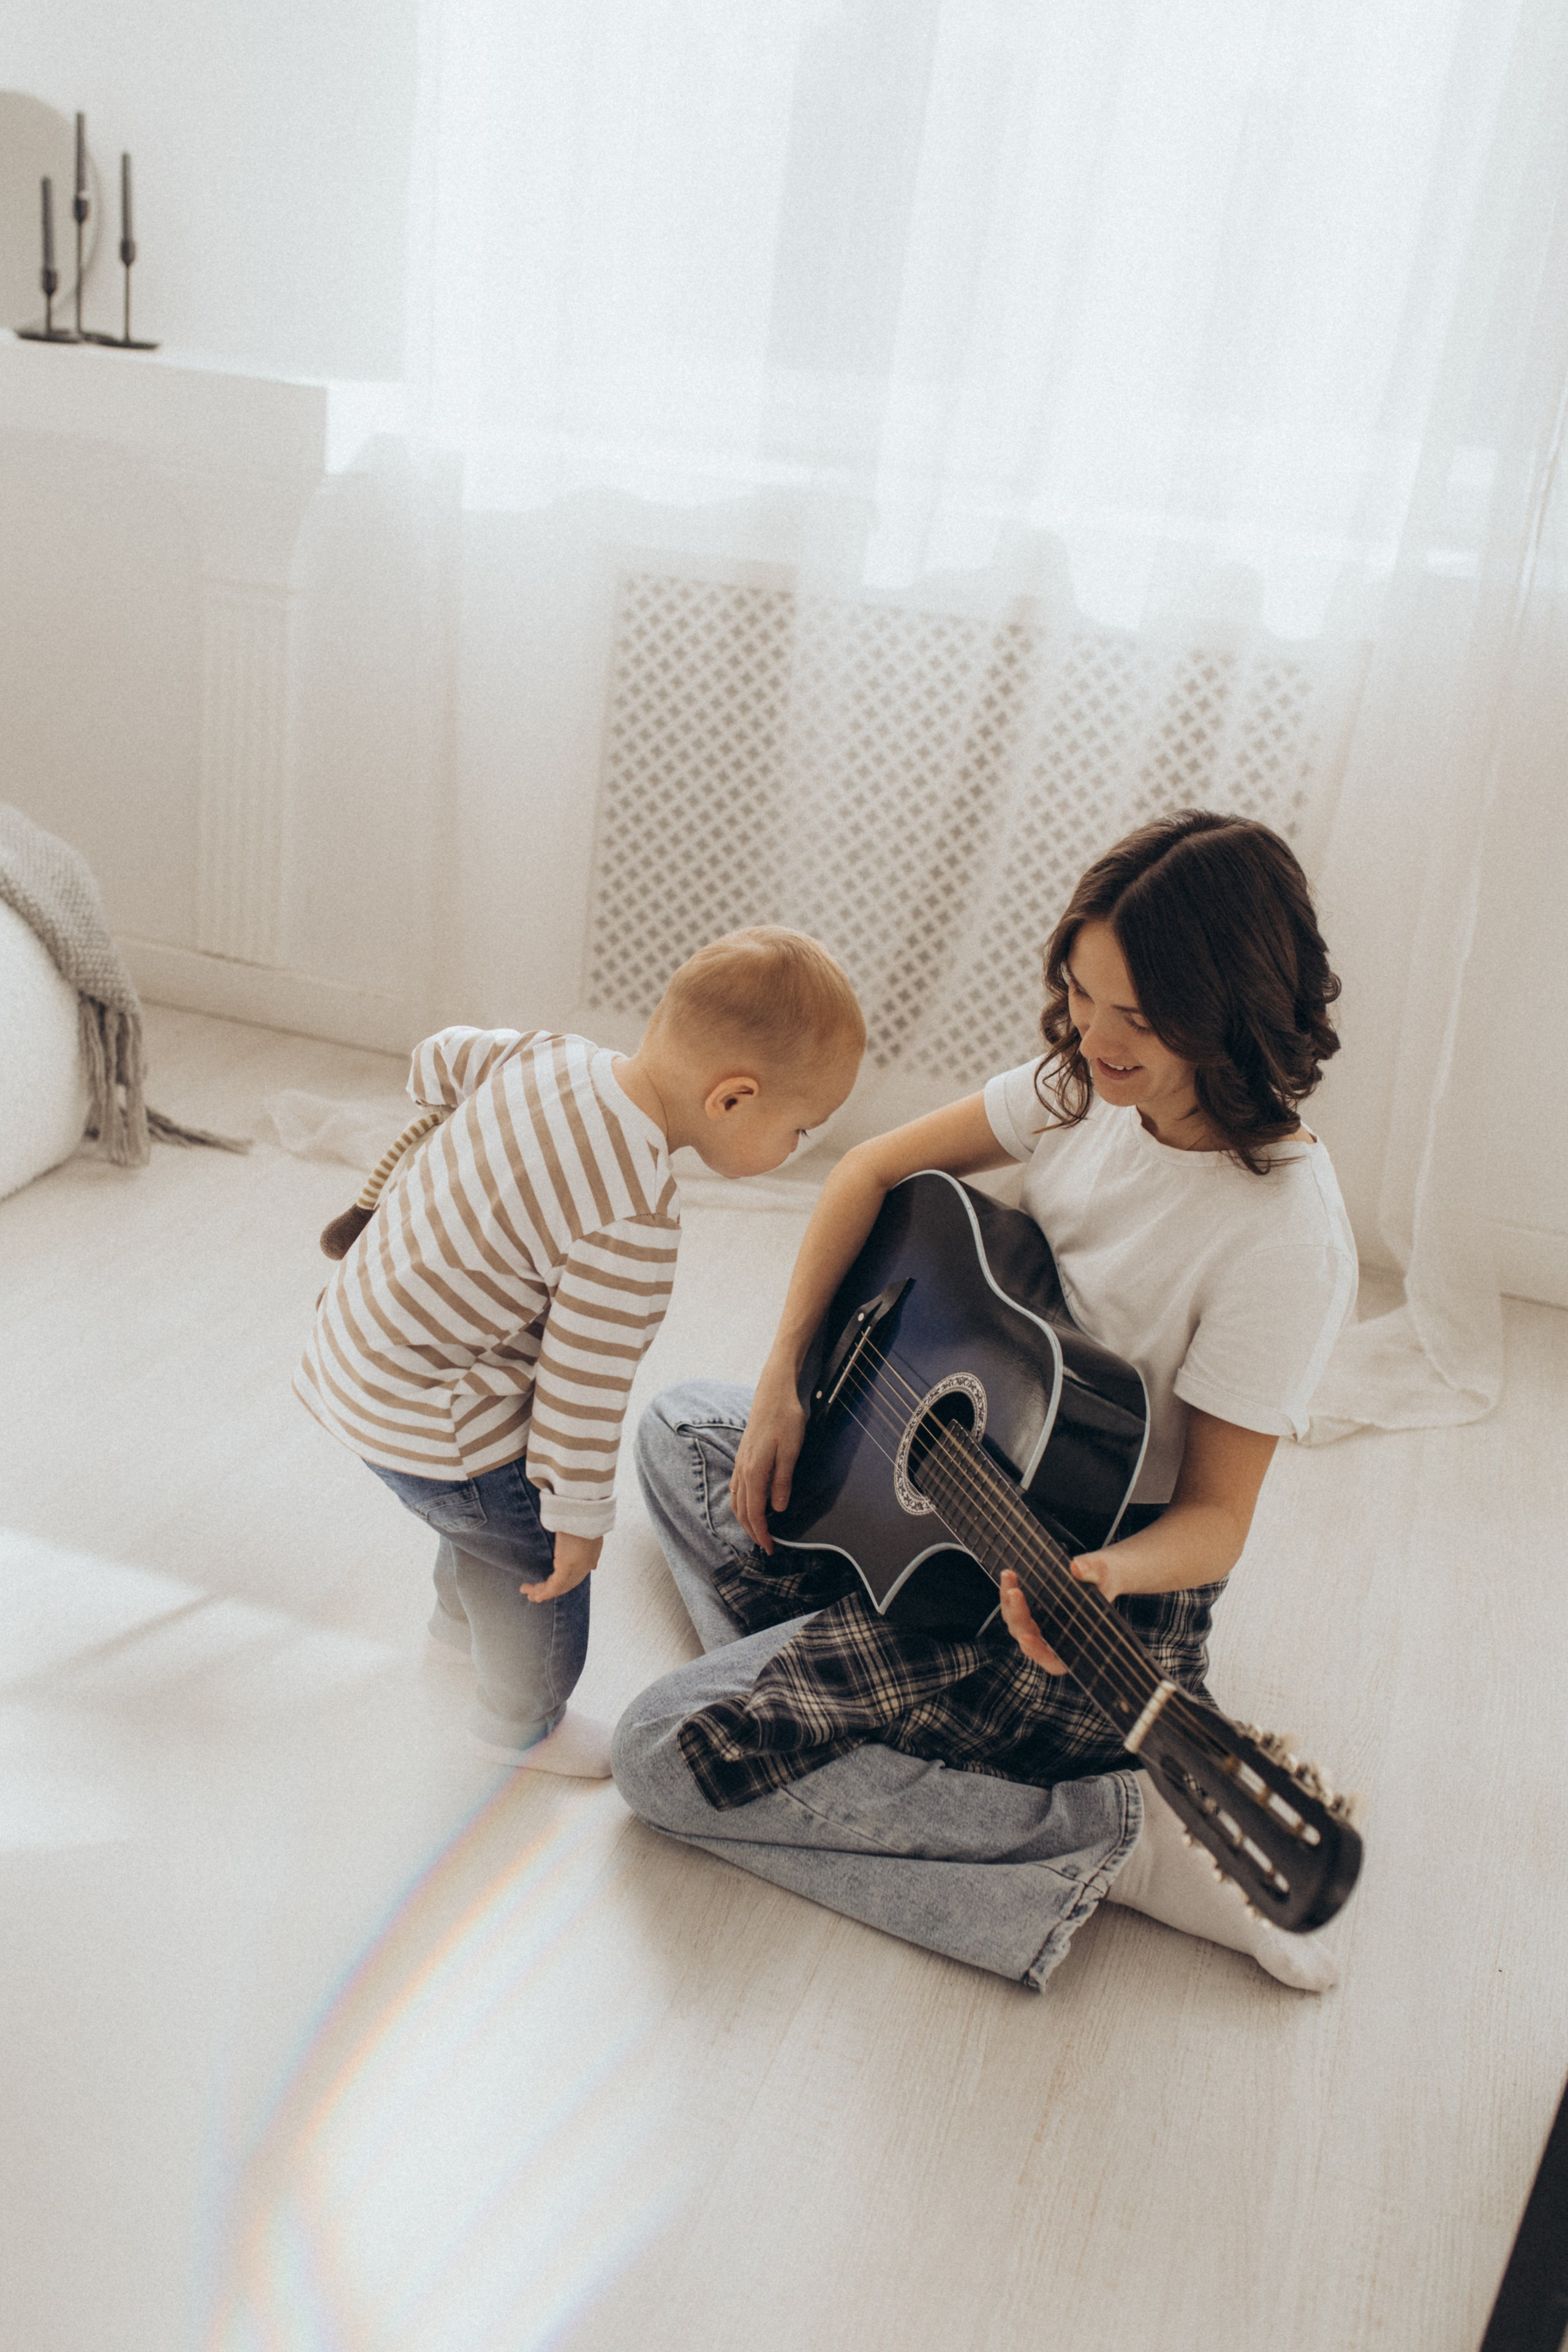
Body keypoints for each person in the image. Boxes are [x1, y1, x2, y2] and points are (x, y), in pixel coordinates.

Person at [613, 812, 1359, 1991]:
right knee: (680, 1430)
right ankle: (874, 1675)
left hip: (1069, 1595)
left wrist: (1100, 1582)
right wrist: (784, 1378)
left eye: (1138, 1018)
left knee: (660, 1754)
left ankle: (1103, 1840)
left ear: (1233, 1012)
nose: (1093, 1039)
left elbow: (1217, 1520)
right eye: (1081, 994)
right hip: (953, 1494)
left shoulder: (1285, 1240)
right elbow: (868, 1171)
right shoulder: (1081, 1089)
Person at [295, 927, 865, 1777]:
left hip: (347, 1347)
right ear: (733, 1099)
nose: (797, 1152)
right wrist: (579, 1521)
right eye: (802, 1131)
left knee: (476, 1525)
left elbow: (442, 1058)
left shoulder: (553, 1055)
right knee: (530, 1556)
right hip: (429, 1408)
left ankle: (454, 1643)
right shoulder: (634, 1210)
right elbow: (579, 1392)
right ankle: (521, 1726)